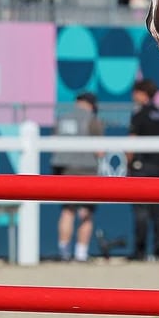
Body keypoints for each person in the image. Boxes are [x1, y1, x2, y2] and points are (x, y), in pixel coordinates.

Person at [51, 92, 104, 262]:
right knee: (86, 212)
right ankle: (81, 253)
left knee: (68, 211)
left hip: (66, 170)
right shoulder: (93, 120)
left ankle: (63, 252)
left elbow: (53, 144)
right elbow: (100, 151)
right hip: (87, 170)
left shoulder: (62, 118)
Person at [126, 79, 159, 261]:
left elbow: (131, 144)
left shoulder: (139, 115)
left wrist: (129, 163)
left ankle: (140, 251)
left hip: (141, 168)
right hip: (158, 167)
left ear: (142, 93)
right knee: (157, 212)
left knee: (141, 212)